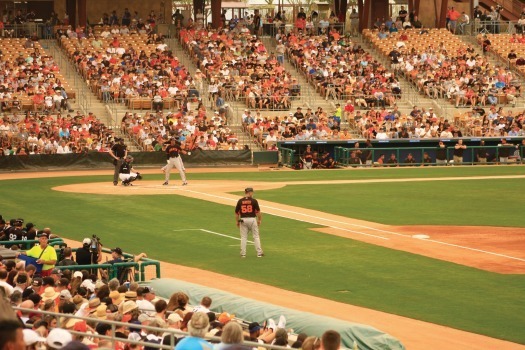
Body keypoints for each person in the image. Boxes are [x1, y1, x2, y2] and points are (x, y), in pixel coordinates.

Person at [235, 188, 263, 258]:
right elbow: (258, 212)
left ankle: (243, 254)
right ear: (249, 192)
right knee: (256, 236)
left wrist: (237, 221)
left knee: (243, 237)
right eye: (252, 192)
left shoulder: (240, 201)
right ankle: (259, 253)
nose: (252, 193)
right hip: (252, 220)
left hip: (243, 220)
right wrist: (259, 220)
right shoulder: (254, 201)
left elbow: (236, 213)